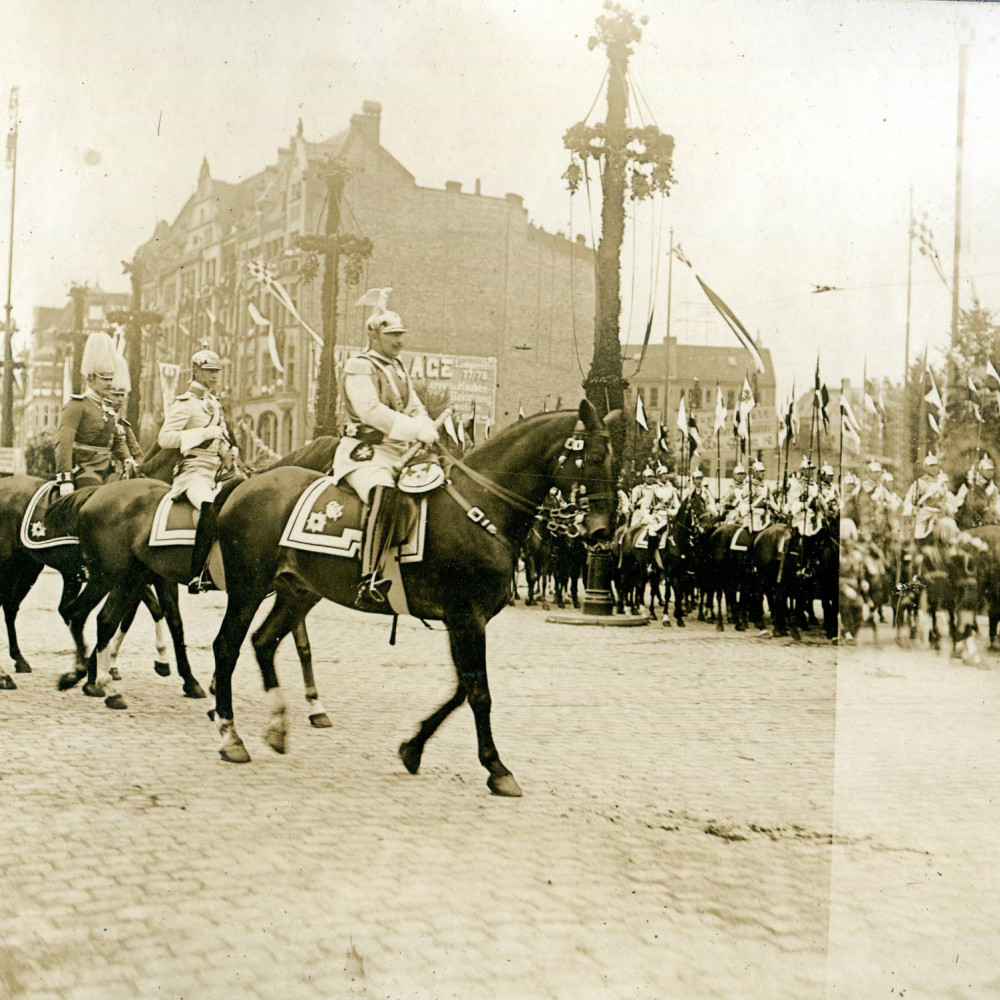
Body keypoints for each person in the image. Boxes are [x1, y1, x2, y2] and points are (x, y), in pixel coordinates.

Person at [331, 288, 438, 611]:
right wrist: (414, 428)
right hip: (365, 453)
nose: (400, 341)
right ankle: (369, 577)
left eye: (401, 335)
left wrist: (427, 424)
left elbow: (414, 405)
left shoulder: (398, 367)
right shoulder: (359, 366)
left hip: (400, 453)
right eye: (392, 335)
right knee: (383, 491)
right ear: (375, 335)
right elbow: (370, 411)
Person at [157, 349, 236, 593]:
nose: (214, 376)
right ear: (195, 371)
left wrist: (227, 451)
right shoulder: (186, 404)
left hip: (215, 472)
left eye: (216, 372)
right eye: (209, 371)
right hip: (193, 472)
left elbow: (219, 436)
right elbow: (165, 438)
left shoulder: (213, 403)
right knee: (209, 505)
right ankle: (197, 573)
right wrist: (202, 434)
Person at [54, 331, 128, 495]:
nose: (109, 383)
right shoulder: (77, 406)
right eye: (104, 379)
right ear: (91, 378)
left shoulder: (108, 410)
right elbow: (63, 443)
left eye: (111, 379)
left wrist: (129, 459)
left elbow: (117, 441)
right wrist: (65, 478)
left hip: (108, 471)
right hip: (84, 471)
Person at [903, 453, 954, 540]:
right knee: (919, 535)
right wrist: (912, 509)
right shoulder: (919, 482)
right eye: (931, 466)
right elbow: (909, 500)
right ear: (926, 467)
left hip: (940, 514)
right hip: (924, 514)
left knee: (951, 526)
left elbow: (948, 499)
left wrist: (949, 507)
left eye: (936, 466)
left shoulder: (942, 483)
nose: (934, 468)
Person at [106, 354, 142, 478]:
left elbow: (137, 454)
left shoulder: (123, 425)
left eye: (122, 395)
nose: (120, 399)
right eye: (115, 395)